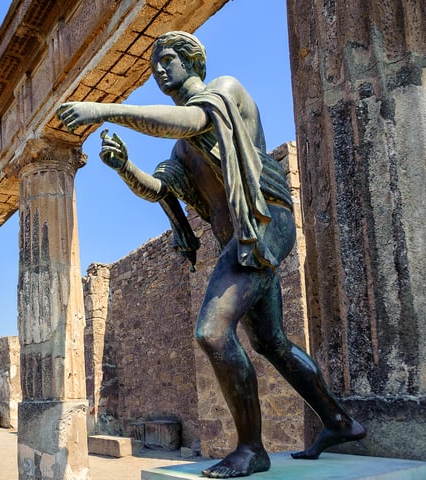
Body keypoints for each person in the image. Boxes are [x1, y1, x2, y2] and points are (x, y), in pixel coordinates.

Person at [57, 31, 365, 478]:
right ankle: (339, 421)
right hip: (241, 239)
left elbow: (191, 121)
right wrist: (125, 167)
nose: (159, 70)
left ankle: (251, 447)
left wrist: (104, 110)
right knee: (271, 343)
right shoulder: (181, 149)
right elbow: (162, 189)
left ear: (191, 61)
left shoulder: (224, 91)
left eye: (167, 59)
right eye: (153, 66)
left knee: (212, 332)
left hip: (261, 225)